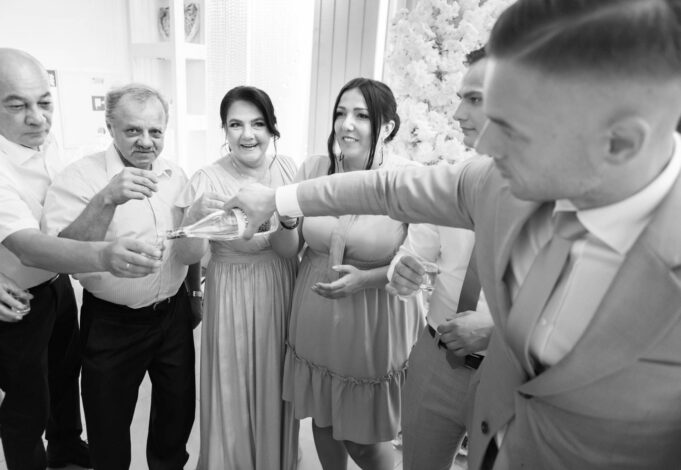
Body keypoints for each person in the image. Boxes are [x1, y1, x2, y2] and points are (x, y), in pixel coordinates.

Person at [225, 1, 681, 468]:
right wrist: (279, 200)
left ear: (621, 140)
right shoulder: (493, 178)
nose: (485, 143)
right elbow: (388, 188)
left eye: (514, 128)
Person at [0, 48, 160, 470]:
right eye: (17, 106)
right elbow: (28, 245)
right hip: (13, 294)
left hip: (55, 284)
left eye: (44, 102)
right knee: (27, 402)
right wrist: (104, 254)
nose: (37, 118)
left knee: (64, 378)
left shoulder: (40, 137)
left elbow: (57, 216)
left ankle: (67, 451)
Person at [42, 83, 199, 470]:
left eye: (155, 131)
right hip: (112, 323)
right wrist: (107, 198)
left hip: (173, 315)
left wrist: (194, 294)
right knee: (107, 426)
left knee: (176, 416)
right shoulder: (80, 177)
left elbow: (190, 236)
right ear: (110, 126)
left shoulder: (176, 174)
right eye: (133, 130)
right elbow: (61, 253)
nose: (146, 141)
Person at [269, 78, 422, 470]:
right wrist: (285, 220)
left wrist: (365, 279)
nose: (346, 124)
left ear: (387, 127)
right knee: (323, 418)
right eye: (340, 113)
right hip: (315, 311)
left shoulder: (408, 179)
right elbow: (287, 249)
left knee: (365, 439)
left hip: (373, 317)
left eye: (361, 115)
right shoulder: (314, 169)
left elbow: (419, 263)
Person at [175, 85, 299, 470]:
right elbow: (185, 256)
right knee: (233, 384)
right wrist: (194, 219)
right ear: (224, 130)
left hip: (281, 285)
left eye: (258, 124)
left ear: (272, 127)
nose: (248, 134)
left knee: (276, 380)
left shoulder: (288, 170)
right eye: (236, 124)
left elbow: (290, 248)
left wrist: (287, 220)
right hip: (231, 290)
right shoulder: (206, 179)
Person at [392, 46, 494, 470]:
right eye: (459, 98)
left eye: (474, 99)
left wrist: (496, 330)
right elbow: (411, 255)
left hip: (507, 375)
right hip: (434, 361)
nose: (456, 114)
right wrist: (401, 271)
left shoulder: (563, 200)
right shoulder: (451, 181)